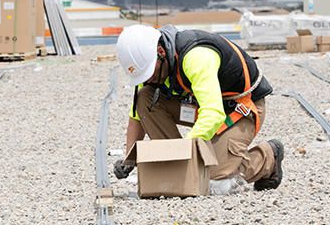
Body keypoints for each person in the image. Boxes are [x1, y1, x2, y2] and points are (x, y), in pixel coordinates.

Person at [113, 24, 284, 190]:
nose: (148, 80)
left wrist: (186, 152)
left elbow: (213, 112)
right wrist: (129, 158)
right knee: (146, 97)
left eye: (149, 74)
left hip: (240, 109)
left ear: (161, 52)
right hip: (200, 106)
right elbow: (137, 114)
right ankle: (175, 165)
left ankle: (267, 157)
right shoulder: (152, 70)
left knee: (212, 179)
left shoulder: (196, 57)